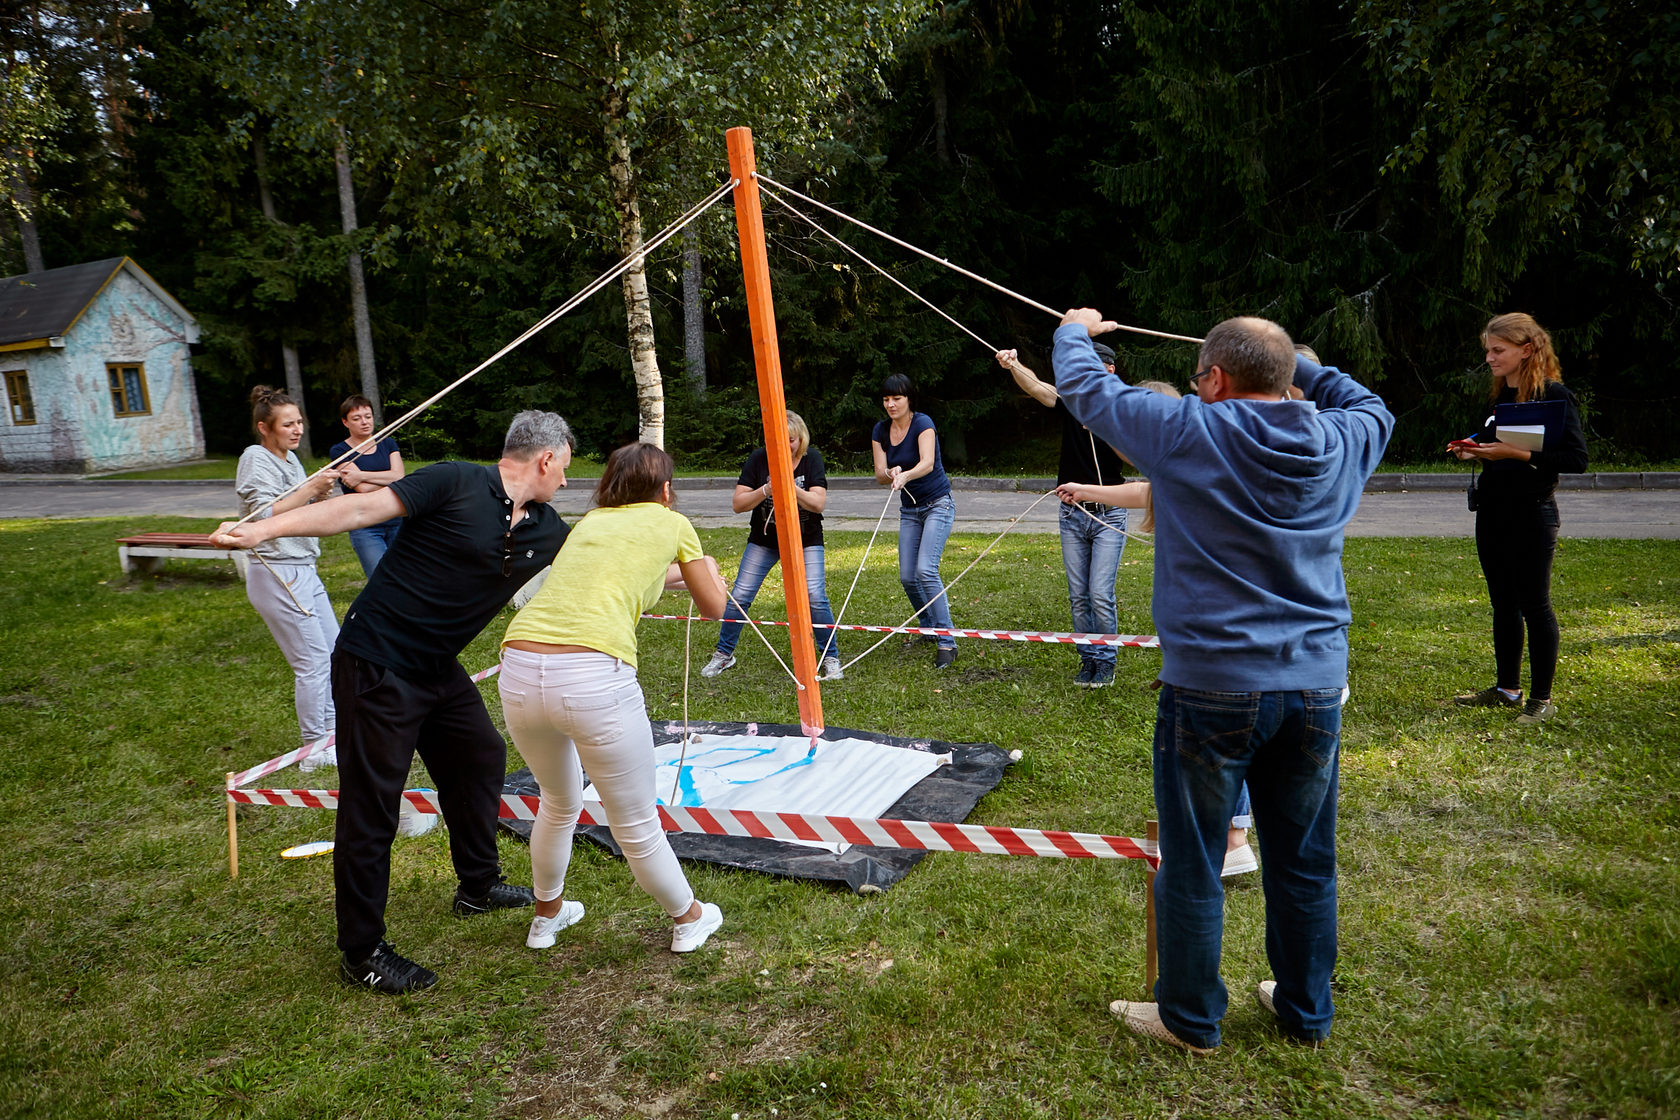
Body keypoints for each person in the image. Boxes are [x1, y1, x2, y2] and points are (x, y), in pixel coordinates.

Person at [1053, 311, 1392, 1053]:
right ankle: (1305, 1011)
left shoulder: (1188, 430)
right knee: (1304, 861)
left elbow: (1082, 388)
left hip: (1211, 688)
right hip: (1313, 689)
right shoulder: (1341, 434)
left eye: (1206, 375)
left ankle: (1190, 1018)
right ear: (1288, 379)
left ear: (1213, 379)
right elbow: (1373, 405)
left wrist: (1074, 328)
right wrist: (1303, 368)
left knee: (1196, 858)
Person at [213, 411, 576, 994]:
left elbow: (606, 566)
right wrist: (263, 530)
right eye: (565, 467)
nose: (565, 480)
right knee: (373, 803)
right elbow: (358, 510)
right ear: (547, 458)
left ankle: (477, 888)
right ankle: (361, 953)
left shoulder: (546, 527)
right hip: (376, 660)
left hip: (435, 665)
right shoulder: (454, 480)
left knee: (480, 756)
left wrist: (692, 571)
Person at [499, 442, 732, 955]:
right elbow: (715, 606)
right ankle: (689, 919)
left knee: (556, 803)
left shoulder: (591, 523)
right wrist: (709, 566)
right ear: (666, 490)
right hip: (591, 675)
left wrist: (691, 570)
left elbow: (630, 577)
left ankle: (546, 917)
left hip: (518, 666)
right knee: (634, 819)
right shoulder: (673, 524)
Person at [1053, 380, 1257, 879]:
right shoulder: (1192, 462)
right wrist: (1086, 489)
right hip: (1214, 631)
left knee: (1209, 734)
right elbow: (1146, 490)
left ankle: (1228, 840)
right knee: (1218, 733)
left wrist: (1074, 337)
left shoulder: (1198, 460)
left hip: (1214, 634)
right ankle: (1228, 834)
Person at [1448, 312, 1588, 724]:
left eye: (1498, 350)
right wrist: (1469, 447)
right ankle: (1508, 689)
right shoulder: (1501, 400)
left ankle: (1541, 700)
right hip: (1492, 513)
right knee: (1502, 604)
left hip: (1533, 514)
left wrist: (1517, 454)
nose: (1489, 358)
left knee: (1535, 605)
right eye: (1487, 350)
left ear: (1526, 350)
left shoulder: (1554, 397)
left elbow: (1576, 460)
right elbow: (1489, 437)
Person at [998, 343, 1131, 687]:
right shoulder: (1071, 401)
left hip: (1109, 514)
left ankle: (1106, 662)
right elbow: (1039, 388)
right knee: (1079, 596)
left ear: (1110, 370)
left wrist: (1105, 428)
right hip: (1072, 514)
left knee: (1100, 592)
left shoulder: (1122, 408)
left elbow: (1137, 458)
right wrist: (1014, 365)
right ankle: (1087, 659)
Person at [235, 386, 342, 771]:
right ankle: (314, 750)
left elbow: (305, 511)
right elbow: (263, 516)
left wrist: (321, 495)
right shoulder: (255, 459)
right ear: (265, 427)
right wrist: (309, 489)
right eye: (287, 424)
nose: (297, 429)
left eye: (299, 422)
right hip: (276, 570)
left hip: (304, 568)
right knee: (312, 662)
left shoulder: (293, 461)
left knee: (336, 652)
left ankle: (333, 734)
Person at [701, 411, 844, 681]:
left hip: (806, 538)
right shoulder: (758, 459)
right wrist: (766, 490)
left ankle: (830, 657)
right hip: (765, 539)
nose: (784, 446)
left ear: (800, 439)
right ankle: (724, 654)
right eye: (777, 440)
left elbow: (818, 503)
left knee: (815, 596)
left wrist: (789, 487)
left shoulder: (811, 459)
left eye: (789, 440)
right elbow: (738, 504)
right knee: (741, 595)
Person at [871, 373, 959, 669]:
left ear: (909, 399)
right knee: (908, 577)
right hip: (910, 510)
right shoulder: (880, 430)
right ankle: (929, 626)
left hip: (938, 504)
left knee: (925, 570)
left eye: (897, 398)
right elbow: (880, 475)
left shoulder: (923, 423)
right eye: (886, 399)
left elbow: (928, 463)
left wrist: (906, 473)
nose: (891, 404)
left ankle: (948, 640)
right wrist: (891, 473)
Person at [327, 394, 405, 576]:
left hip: (396, 518)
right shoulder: (339, 451)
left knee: (406, 574)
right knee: (380, 577)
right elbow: (362, 489)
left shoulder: (387, 443)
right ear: (345, 422)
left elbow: (400, 476)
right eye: (357, 418)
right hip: (365, 524)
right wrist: (387, 480)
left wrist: (361, 475)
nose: (364, 422)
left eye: (368, 416)